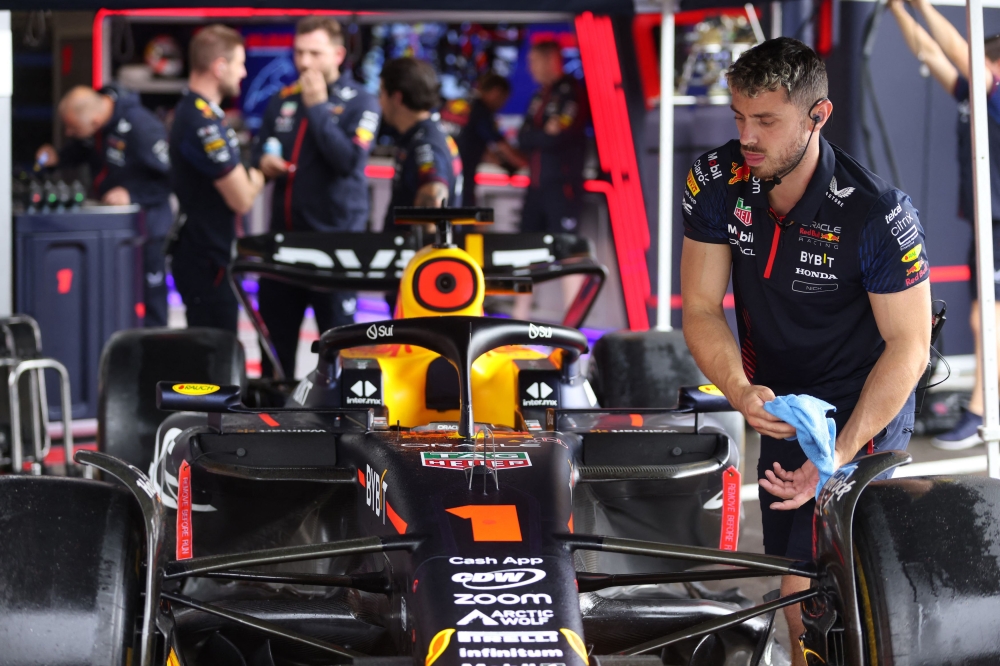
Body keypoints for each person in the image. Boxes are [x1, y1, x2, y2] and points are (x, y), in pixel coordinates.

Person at [680, 38, 931, 665]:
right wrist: (739, 392)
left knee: (852, 577)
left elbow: (909, 348)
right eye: (739, 117)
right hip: (781, 400)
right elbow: (703, 309)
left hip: (864, 400)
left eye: (766, 121)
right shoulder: (715, 180)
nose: (748, 136)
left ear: (818, 115)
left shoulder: (879, 213)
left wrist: (839, 454)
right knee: (796, 578)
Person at [889, 0, 1000, 450]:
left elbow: (962, 55)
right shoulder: (971, 93)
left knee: (984, 320)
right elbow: (930, 53)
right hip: (984, 220)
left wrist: (921, 3)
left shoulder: (994, 90)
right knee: (986, 319)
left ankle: (982, 412)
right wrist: (899, 10)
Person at [250, 16, 381, 378]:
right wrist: (262, 159)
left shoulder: (362, 102)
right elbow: (257, 150)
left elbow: (348, 162)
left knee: (339, 356)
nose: (304, 62)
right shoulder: (282, 99)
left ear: (338, 54)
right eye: (299, 52)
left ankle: (340, 428)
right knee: (274, 356)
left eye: (314, 53)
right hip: (283, 246)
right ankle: (272, 424)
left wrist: (319, 107)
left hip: (335, 248)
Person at [36, 85, 172, 327]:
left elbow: (171, 179)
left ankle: (156, 357)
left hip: (148, 230)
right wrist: (57, 158)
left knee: (151, 303)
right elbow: (84, 149)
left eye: (73, 128)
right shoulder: (99, 122)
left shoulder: (142, 127)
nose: (69, 132)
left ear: (96, 121)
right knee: (114, 301)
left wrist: (132, 194)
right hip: (114, 230)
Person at [168, 25, 264, 333]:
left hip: (210, 254)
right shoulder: (201, 122)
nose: (244, 72)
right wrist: (262, 175)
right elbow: (242, 199)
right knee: (215, 358)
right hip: (205, 258)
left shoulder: (203, 113)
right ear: (219, 66)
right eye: (239, 63)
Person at [379, 56, 462, 235]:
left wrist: (421, 248)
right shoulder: (428, 133)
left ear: (397, 98)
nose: (380, 102)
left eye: (381, 93)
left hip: (415, 257)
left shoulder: (425, 143)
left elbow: (434, 196)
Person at [517, 40, 587, 235]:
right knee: (526, 244)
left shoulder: (571, 92)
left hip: (562, 188)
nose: (531, 68)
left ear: (550, 60)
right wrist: (542, 133)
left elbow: (557, 138)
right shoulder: (539, 95)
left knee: (563, 249)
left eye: (534, 61)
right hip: (535, 187)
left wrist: (537, 135)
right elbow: (522, 137)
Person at [455, 73, 525, 206]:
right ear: (496, 92)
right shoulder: (481, 112)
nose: (502, 106)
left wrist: (503, 165)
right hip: (461, 177)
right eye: (504, 99)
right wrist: (529, 166)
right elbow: (502, 145)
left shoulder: (463, 104)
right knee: (463, 217)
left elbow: (478, 147)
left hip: (443, 171)